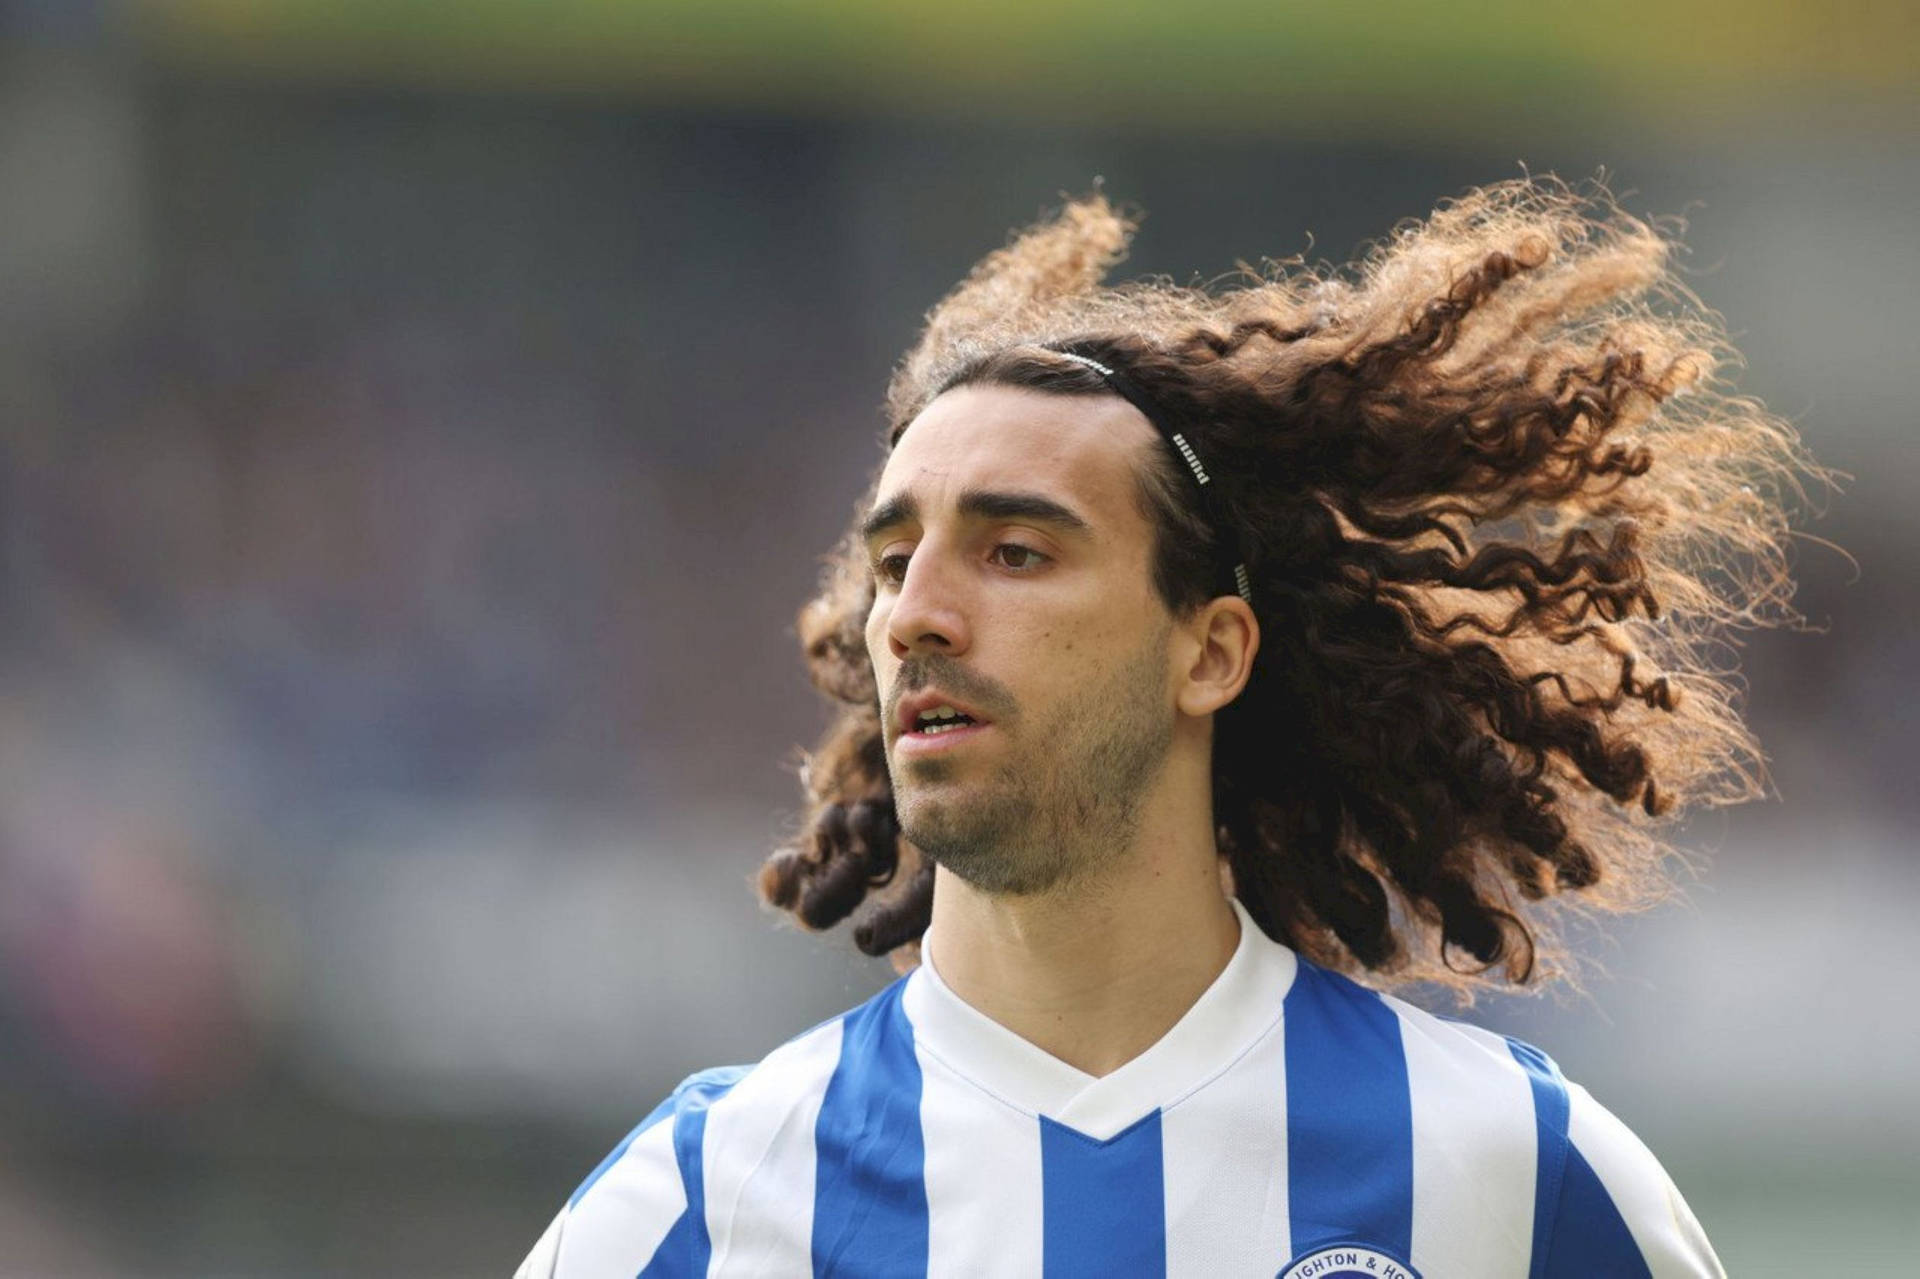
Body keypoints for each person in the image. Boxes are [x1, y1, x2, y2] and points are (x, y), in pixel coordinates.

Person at [516, 178, 1821, 1277]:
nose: (914, 615)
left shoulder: (1512, 1177)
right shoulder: (697, 1209)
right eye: (895, 560)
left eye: (1015, 551)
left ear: (1209, 651)